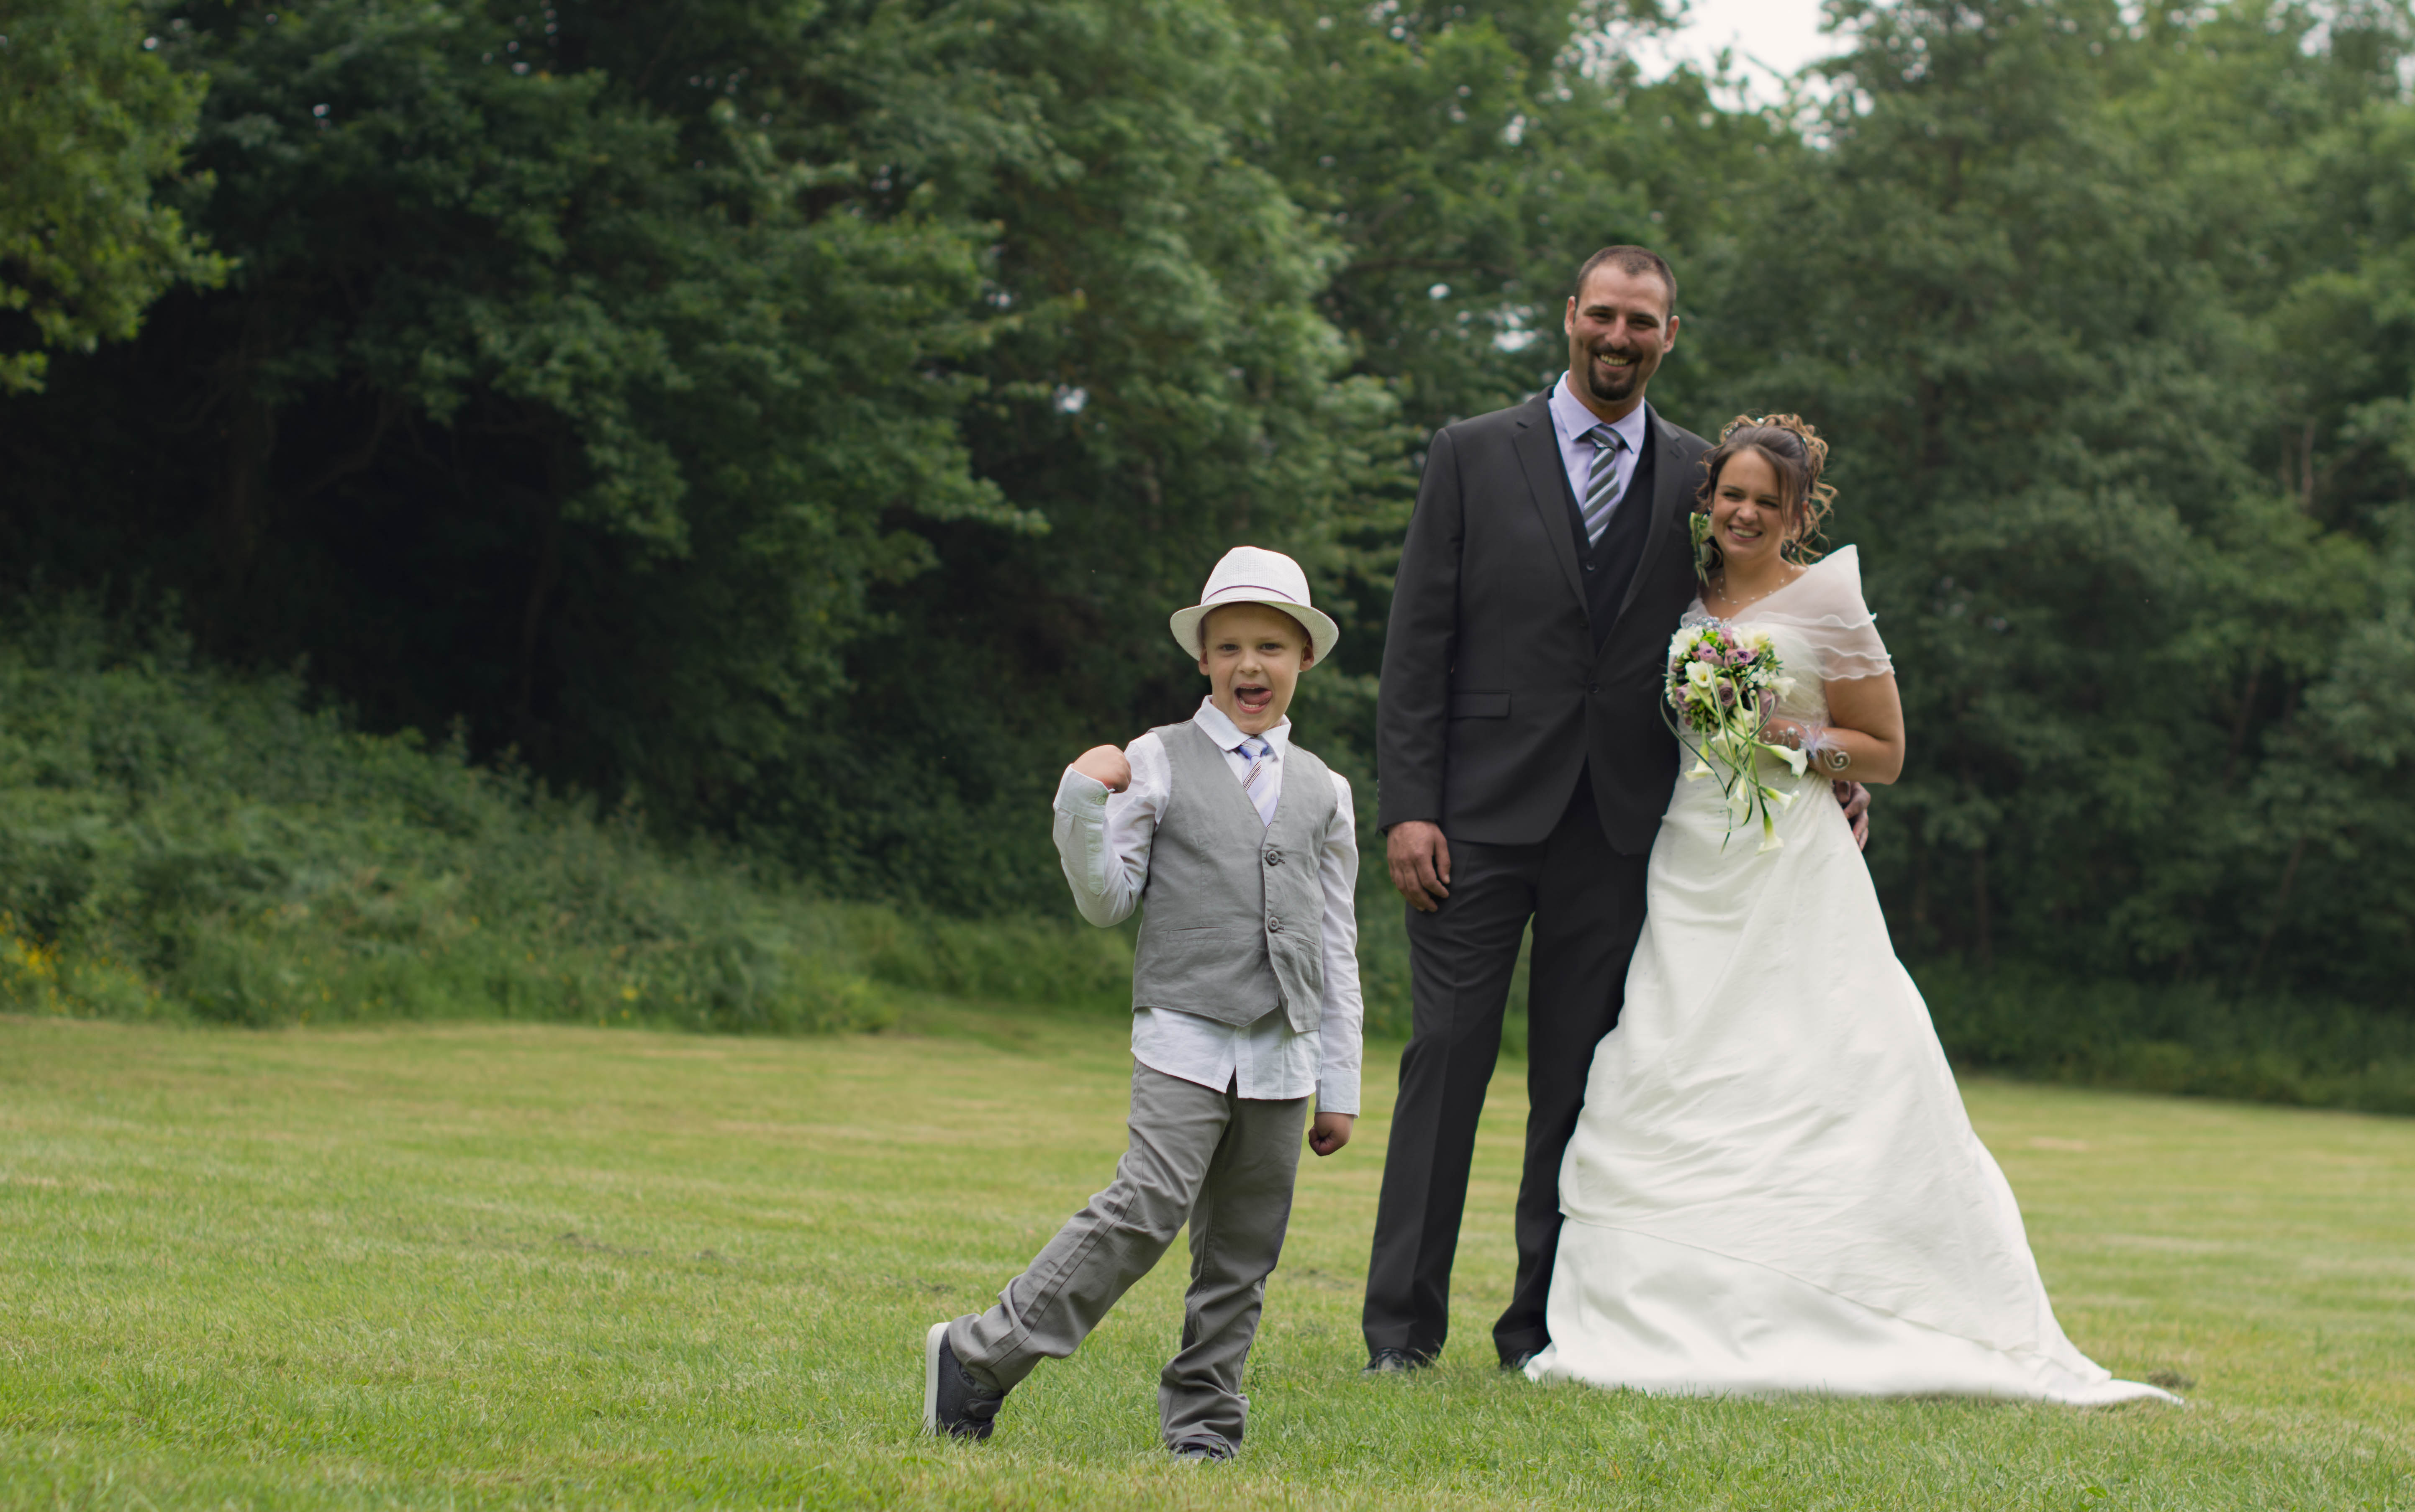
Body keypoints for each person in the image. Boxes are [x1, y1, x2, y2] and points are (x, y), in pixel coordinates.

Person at [1524, 416, 2177, 1404]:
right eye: (1732, 494)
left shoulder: (1828, 605)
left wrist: (1798, 741)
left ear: (1797, 515)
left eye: (1767, 502)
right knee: (1669, 1052)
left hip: (1791, 863)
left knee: (1814, 1057)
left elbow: (1884, 753)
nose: (1745, 513)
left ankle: (1853, 1296)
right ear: (1709, 498)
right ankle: (1664, 1301)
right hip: (1690, 857)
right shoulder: (1681, 601)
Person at [1366, 246, 1868, 1374]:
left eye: (1641, 322)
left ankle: (1541, 1327)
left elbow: (1747, 631)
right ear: (1569, 318)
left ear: (1669, 335)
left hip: (1618, 824)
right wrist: (1407, 805)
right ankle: (1399, 1329)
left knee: (1579, 1084)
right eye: (1603, 314)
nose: (1618, 336)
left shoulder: (1703, 476)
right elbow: (1417, 647)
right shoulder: (1469, 453)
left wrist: (1821, 768)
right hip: (1473, 818)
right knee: (1444, 1062)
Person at [923, 545, 1367, 1459]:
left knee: (1245, 1252)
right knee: (1146, 1205)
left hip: (1283, 1054)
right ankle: (978, 1356)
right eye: (1232, 646)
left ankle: (1204, 1424)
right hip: (1185, 1037)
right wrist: (1081, 803)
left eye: (1273, 647)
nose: (1252, 665)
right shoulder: (1156, 760)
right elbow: (1107, 899)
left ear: (1304, 660)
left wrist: (1341, 1078)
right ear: (1202, 658)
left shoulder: (1329, 790)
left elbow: (1334, 944)